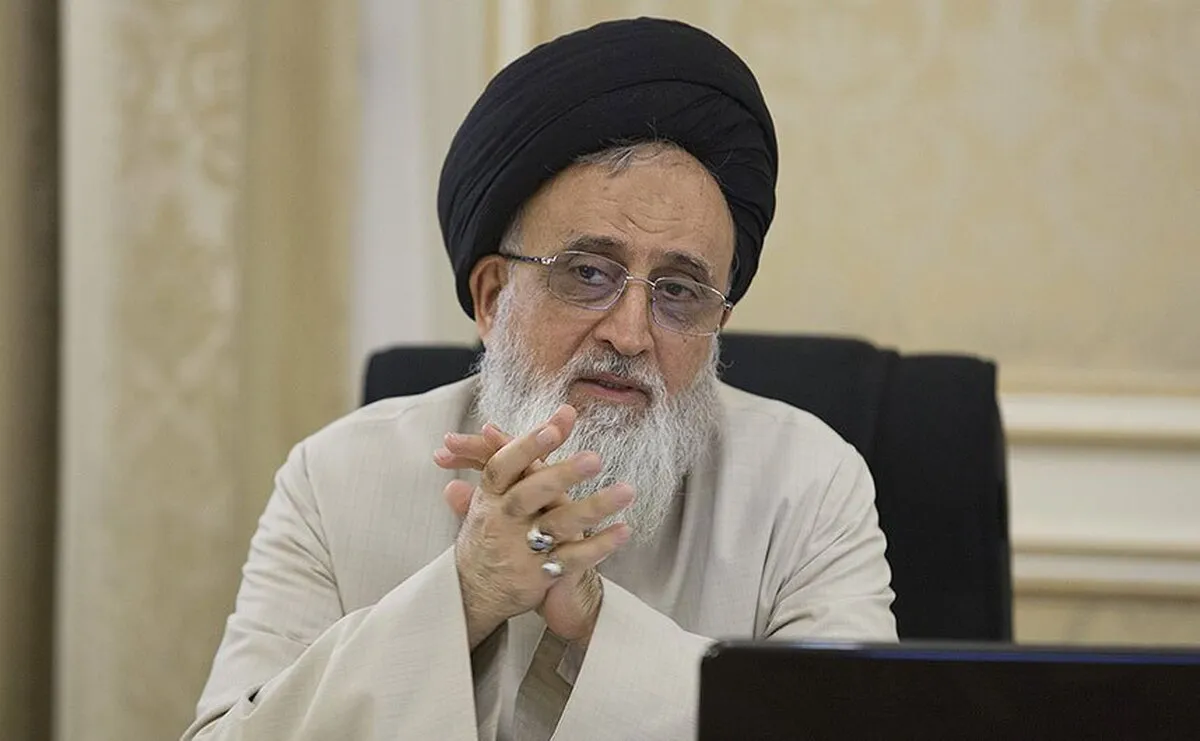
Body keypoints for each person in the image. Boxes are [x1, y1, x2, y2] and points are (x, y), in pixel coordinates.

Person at [184, 17, 895, 741]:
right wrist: (466, 593)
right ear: (493, 297)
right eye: (588, 274)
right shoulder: (336, 480)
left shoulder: (805, 487)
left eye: (679, 291)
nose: (630, 333)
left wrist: (598, 625)